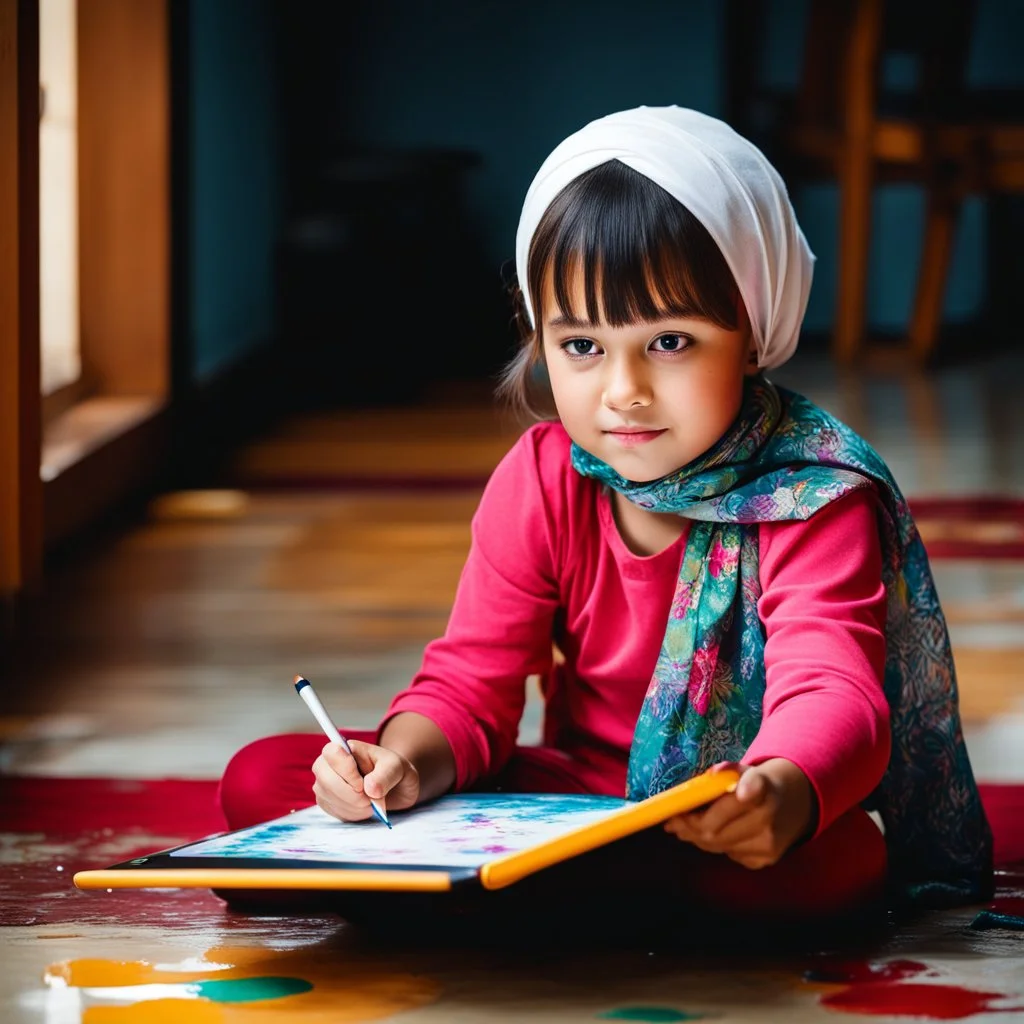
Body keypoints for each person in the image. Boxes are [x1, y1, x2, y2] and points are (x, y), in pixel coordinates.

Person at [219, 106, 992, 922]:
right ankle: (581, 895)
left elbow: (830, 685)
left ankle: (489, 899)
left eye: (669, 342)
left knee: (837, 860)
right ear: (541, 340)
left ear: (754, 333)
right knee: (262, 779)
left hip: (717, 816)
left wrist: (783, 792)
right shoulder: (545, 477)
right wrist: (398, 766)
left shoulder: (809, 494)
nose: (623, 391)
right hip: (567, 808)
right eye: (582, 346)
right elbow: (471, 686)